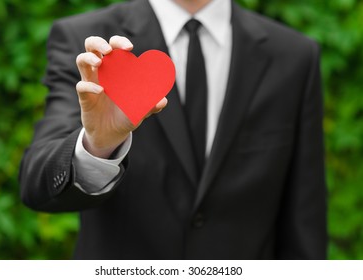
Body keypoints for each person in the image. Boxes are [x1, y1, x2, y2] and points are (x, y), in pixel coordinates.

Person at [19, 0, 327, 259]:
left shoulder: (295, 56)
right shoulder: (87, 43)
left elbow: (304, 217)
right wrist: (97, 145)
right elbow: (37, 184)